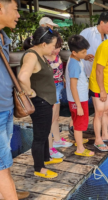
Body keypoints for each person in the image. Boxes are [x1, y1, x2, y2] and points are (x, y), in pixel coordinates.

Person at [19, 27, 63, 179]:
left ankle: (46, 158)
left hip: (45, 101)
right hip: (40, 102)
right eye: (52, 46)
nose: (53, 49)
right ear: (44, 44)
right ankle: (39, 168)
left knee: (45, 133)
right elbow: (22, 77)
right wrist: (30, 92)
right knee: (40, 136)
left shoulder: (39, 54)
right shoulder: (31, 56)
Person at [0, 1, 30, 199]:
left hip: (7, 107)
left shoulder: (4, 37)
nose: (18, 15)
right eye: (16, 10)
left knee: (5, 159)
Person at [72, 11, 108, 135]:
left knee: (100, 108)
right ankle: (74, 127)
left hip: (100, 77)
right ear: (101, 22)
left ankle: (103, 127)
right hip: (86, 74)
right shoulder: (87, 32)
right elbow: (75, 50)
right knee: (81, 102)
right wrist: (84, 56)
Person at [66, 35, 95, 157]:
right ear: (74, 52)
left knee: (78, 122)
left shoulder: (76, 59)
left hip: (77, 99)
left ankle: (79, 140)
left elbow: (79, 57)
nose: (85, 53)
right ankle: (80, 149)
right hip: (78, 100)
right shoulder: (74, 65)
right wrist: (78, 105)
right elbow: (73, 86)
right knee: (79, 124)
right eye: (83, 52)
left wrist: (84, 57)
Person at [45, 33, 72, 159]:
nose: (58, 50)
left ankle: (56, 139)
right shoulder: (43, 57)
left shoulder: (56, 56)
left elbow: (60, 71)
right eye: (56, 47)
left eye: (59, 47)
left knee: (56, 118)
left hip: (58, 87)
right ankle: (49, 148)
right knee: (49, 119)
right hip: (49, 90)